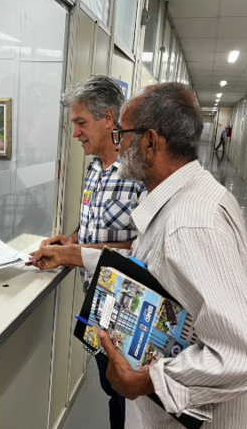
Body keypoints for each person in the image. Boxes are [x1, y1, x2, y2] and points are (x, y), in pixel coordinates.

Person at [30, 82, 247, 429]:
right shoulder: (179, 198)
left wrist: (144, 381)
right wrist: (73, 253)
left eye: (122, 133)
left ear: (149, 142)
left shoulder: (192, 224)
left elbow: (237, 354)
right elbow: (145, 266)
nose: (118, 142)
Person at [40, 75, 147, 429]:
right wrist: (69, 241)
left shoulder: (138, 173)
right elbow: (89, 228)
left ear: (108, 118)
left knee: (128, 401)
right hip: (95, 306)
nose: (75, 133)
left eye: (81, 123)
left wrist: (76, 253)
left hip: (126, 314)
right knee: (108, 387)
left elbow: (146, 245)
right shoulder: (93, 169)